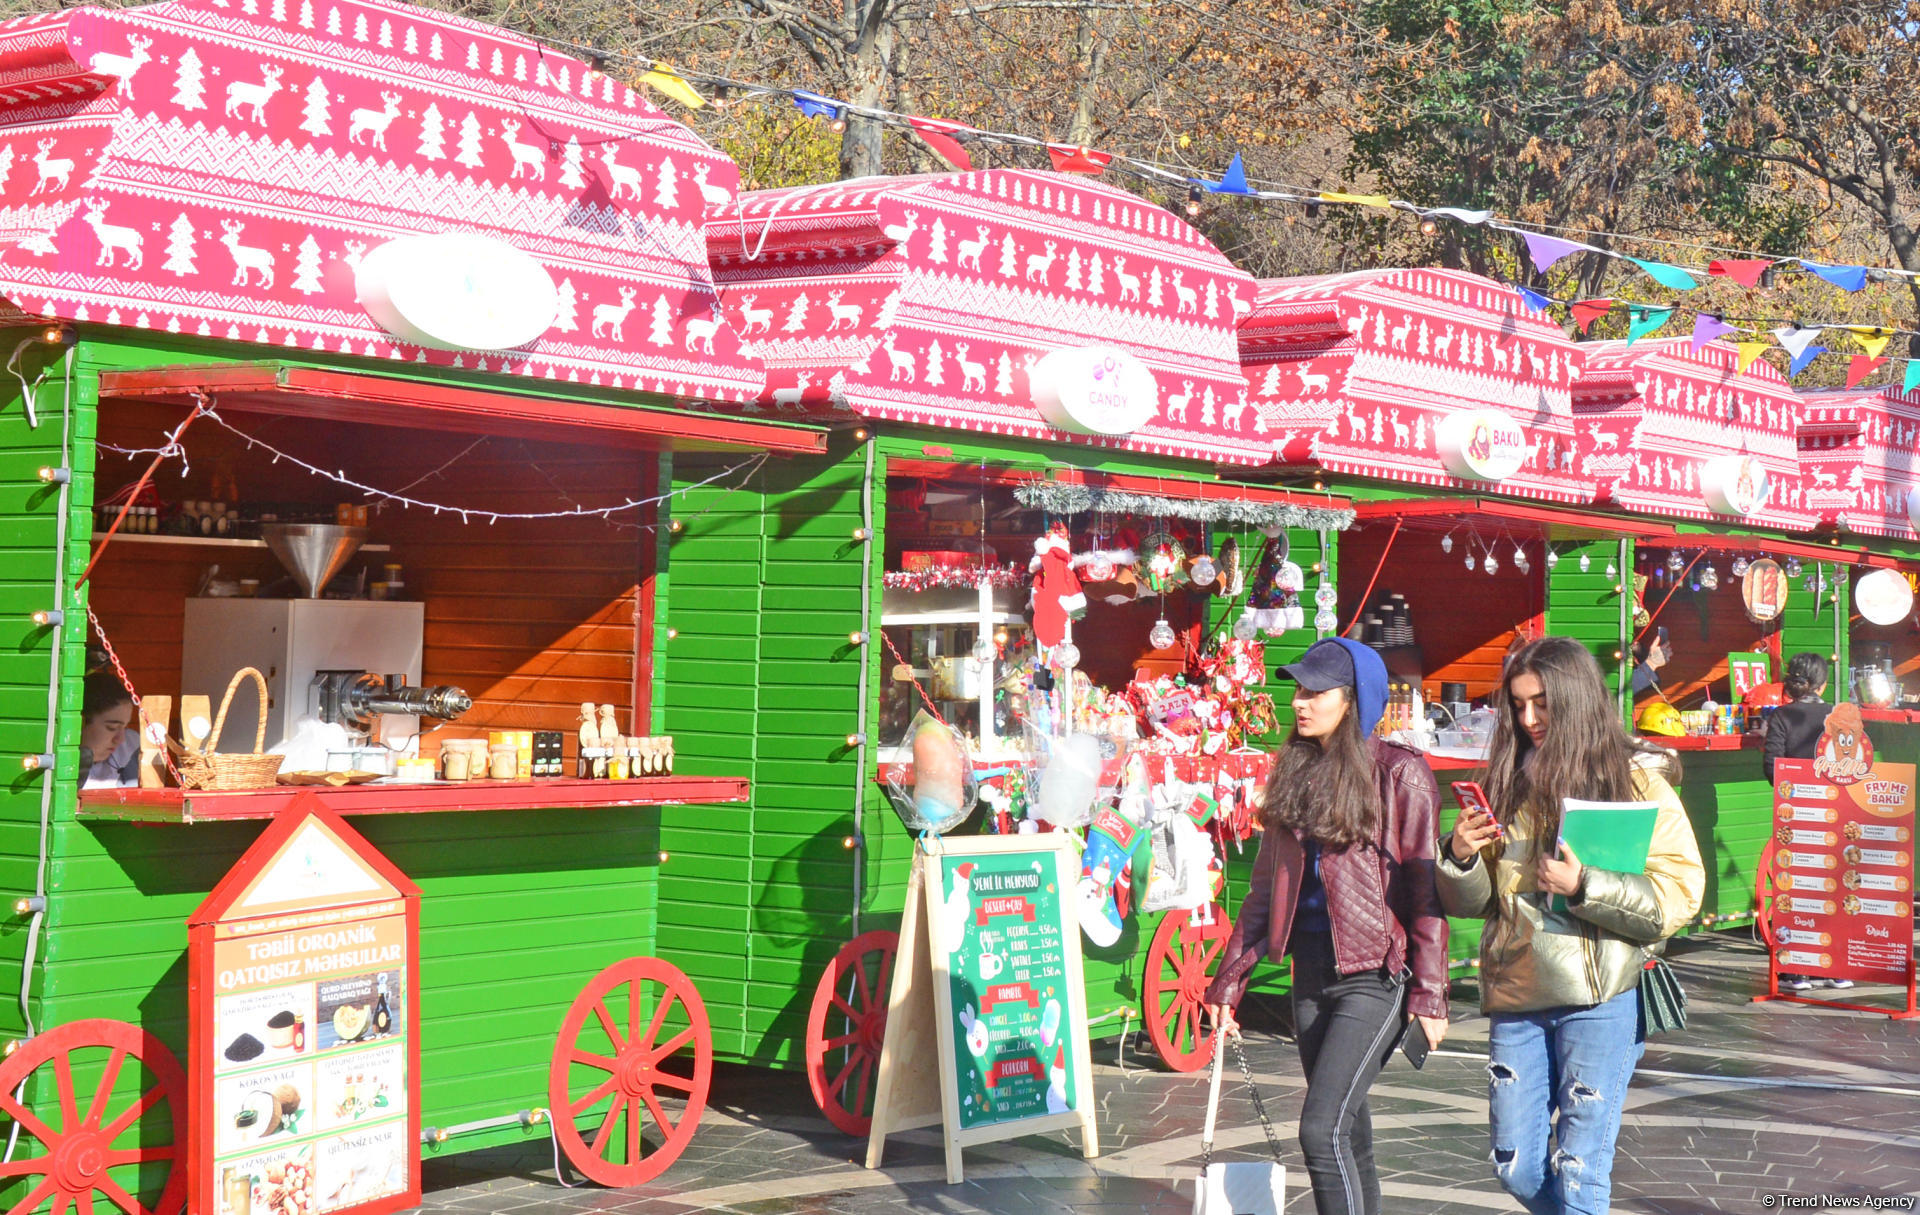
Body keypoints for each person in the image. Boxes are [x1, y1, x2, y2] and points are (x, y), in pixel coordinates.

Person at [1440, 636, 1703, 1215]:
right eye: (1518, 705)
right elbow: (1476, 902)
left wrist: (1586, 886)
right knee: (1515, 1167)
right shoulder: (1508, 785)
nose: (1529, 719)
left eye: (1542, 704)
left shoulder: (1637, 785)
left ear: (1577, 701)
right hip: (1516, 990)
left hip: (1601, 994)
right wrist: (1460, 856)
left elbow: (1680, 896)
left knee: (1581, 1173)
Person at [1204, 637, 1449, 1215]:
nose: (1300, 702)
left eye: (1317, 692)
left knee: (1320, 1129)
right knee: (1349, 1129)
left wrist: (1430, 995)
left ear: (1353, 700)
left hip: (1375, 976)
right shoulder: (1294, 771)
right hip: (1309, 972)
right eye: (1299, 689)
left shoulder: (1400, 774)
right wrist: (1228, 981)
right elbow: (1266, 889)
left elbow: (1424, 891)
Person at [1761, 652, 1849, 991]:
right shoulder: (1839, 716)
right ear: (1823, 683)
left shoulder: (1781, 716)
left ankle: (1796, 971)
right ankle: (1834, 968)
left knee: (1795, 891)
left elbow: (1773, 769)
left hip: (1795, 814)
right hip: (1836, 814)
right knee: (1834, 887)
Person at [80, 671, 140, 790]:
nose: (121, 739)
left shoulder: (132, 747)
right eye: (111, 728)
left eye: (125, 727)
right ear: (81, 723)